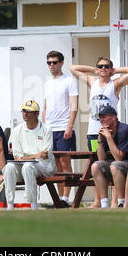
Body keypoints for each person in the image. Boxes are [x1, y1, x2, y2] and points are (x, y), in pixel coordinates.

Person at [70, 57, 128, 207]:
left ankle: (115, 200)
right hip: (95, 132)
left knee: (115, 162)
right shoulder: (92, 82)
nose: (103, 69)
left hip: (112, 132)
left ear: (111, 69)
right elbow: (73, 68)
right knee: (98, 163)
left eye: (106, 66)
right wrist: (94, 69)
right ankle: (98, 200)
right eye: (100, 67)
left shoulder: (115, 84)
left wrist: (115, 71)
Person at [4, 100, 56, 210]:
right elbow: (17, 157)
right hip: (25, 164)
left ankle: (33, 204)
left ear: (37, 114)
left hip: (45, 166)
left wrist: (26, 157)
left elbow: (45, 156)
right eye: (23, 111)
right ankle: (10, 204)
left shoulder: (46, 129)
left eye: (28, 111)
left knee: (28, 166)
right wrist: (35, 155)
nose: (25, 114)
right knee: (9, 167)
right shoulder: (17, 130)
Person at [42, 50, 78, 207]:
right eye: (49, 63)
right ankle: (59, 199)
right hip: (49, 128)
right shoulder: (47, 83)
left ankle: (65, 198)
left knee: (65, 162)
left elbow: (74, 106)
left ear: (61, 63)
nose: (51, 65)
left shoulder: (69, 81)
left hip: (64, 126)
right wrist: (42, 127)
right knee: (54, 164)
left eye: (54, 62)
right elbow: (45, 106)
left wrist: (69, 126)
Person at [92, 105, 128, 208]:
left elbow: (119, 157)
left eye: (104, 116)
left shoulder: (124, 130)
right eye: (100, 117)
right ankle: (104, 204)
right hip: (122, 163)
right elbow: (101, 158)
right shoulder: (107, 131)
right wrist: (100, 139)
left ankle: (121, 202)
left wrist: (109, 137)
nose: (102, 119)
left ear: (114, 117)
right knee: (95, 166)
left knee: (115, 165)